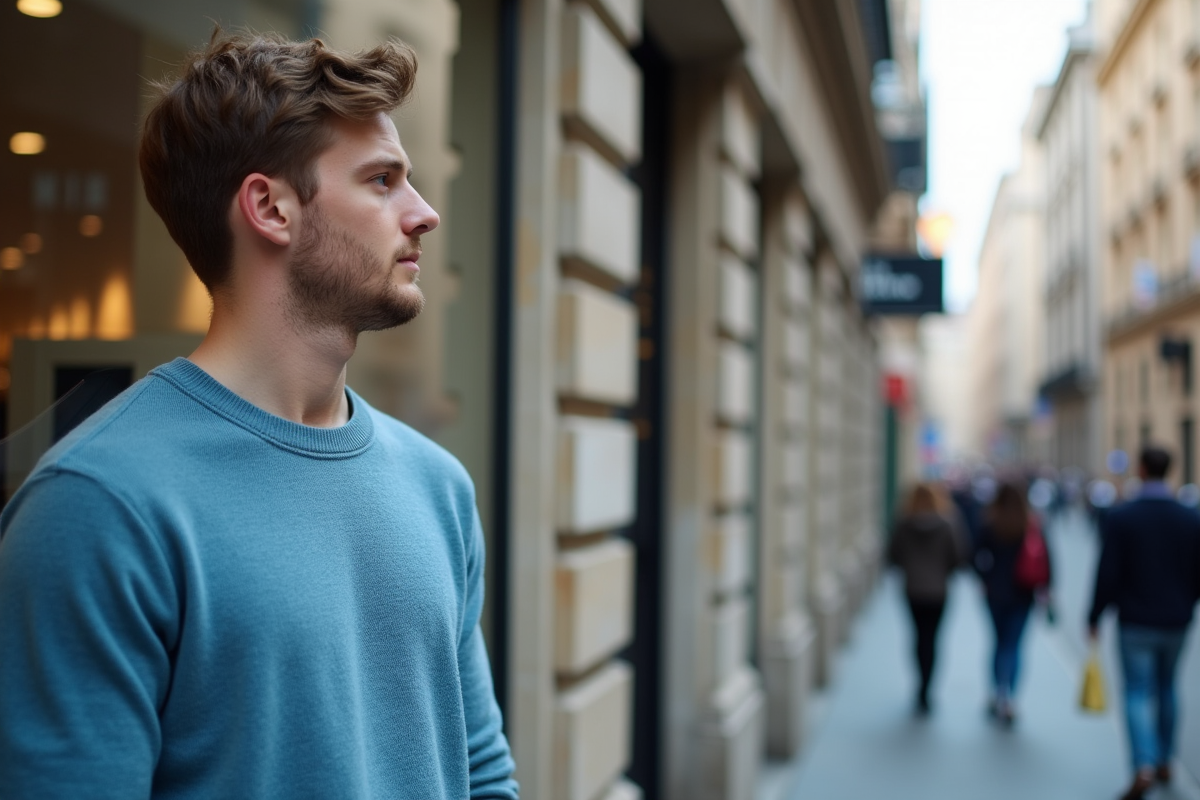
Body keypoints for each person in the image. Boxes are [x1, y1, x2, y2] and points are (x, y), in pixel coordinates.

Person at [0, 31, 518, 798]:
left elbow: (480, 773)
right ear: (270, 207)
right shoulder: (96, 505)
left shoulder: (438, 486)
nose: (425, 213)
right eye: (383, 181)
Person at [1088, 446, 1200, 800]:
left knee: (1137, 691)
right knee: (1167, 687)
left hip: (1135, 620)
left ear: (1140, 469)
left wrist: (1094, 614)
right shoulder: (1190, 517)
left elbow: (1107, 572)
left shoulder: (1123, 517)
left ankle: (1143, 766)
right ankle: (1165, 759)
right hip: (1177, 620)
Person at [972, 481, 1052, 725]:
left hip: (995, 592)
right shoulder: (1031, 523)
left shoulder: (990, 523)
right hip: (1023, 593)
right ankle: (1010, 698)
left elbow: (973, 555)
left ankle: (997, 692)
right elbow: (1047, 559)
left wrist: (985, 578)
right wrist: (1046, 588)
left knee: (998, 643)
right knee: (1014, 645)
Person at [887, 483, 965, 714]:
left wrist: (912, 568)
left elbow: (893, 556)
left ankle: (920, 687)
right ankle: (927, 689)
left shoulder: (903, 524)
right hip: (938, 591)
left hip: (913, 590)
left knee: (918, 637)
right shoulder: (947, 523)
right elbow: (958, 557)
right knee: (932, 639)